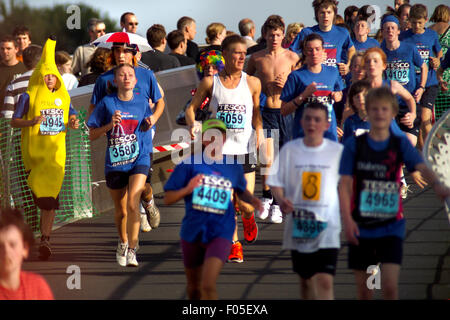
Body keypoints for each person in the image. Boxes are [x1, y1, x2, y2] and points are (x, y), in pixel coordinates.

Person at [338, 87, 450, 300]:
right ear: (367, 112)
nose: (379, 114)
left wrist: (440, 186)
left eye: (384, 109)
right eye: (374, 109)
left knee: (389, 288)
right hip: (362, 219)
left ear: (391, 114)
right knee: (365, 290)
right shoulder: (354, 144)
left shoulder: (398, 143)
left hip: (391, 221)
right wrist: (346, 218)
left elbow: (420, 166)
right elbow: (343, 183)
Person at [185, 35, 263, 263]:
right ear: (225, 55)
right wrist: (193, 125)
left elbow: (257, 112)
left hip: (245, 147)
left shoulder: (252, 82)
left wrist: (258, 130)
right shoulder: (210, 82)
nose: (241, 57)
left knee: (245, 204)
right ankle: (234, 243)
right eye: (236, 53)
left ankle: (248, 218)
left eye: (243, 53)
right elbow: (190, 109)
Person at [164, 119, 262, 300]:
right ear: (203, 139)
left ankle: (235, 243)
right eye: (210, 136)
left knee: (207, 285)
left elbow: (242, 192)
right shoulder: (189, 164)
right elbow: (168, 198)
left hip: (220, 233)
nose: (214, 140)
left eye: (219, 135)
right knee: (194, 289)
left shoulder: (232, 166)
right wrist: (188, 189)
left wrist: (254, 201)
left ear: (225, 139)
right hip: (193, 233)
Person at [10, 38, 79, 260]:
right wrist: (31, 122)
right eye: (46, 75)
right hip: (33, 158)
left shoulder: (63, 97)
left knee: (49, 202)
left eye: (53, 75)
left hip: (55, 158)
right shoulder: (29, 96)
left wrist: (74, 121)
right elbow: (14, 121)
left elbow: (72, 113)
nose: (49, 79)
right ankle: (31, 237)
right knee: (36, 200)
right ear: (41, 75)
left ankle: (45, 240)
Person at [267, 102, 343, 300]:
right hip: (300, 224)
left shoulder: (337, 152)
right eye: (308, 119)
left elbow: (349, 184)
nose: (312, 123)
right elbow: (274, 181)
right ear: (301, 122)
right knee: (306, 281)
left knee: (325, 281)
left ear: (327, 125)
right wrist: (281, 200)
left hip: (328, 226)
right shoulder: (290, 150)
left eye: (317, 120)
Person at [89, 42, 164, 236]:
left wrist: (153, 117)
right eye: (117, 51)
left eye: (125, 51)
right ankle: (131, 233)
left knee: (143, 185)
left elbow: (160, 101)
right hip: (119, 139)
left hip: (144, 135)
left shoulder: (146, 75)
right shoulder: (104, 79)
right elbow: (93, 110)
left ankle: (148, 202)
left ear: (134, 54)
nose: (121, 55)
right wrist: (107, 125)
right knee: (127, 191)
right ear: (112, 53)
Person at [87, 63, 153, 267]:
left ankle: (133, 250)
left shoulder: (142, 101)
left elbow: (150, 116)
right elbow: (91, 134)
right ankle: (123, 242)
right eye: (122, 75)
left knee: (133, 203)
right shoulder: (107, 103)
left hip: (139, 158)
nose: (126, 77)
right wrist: (109, 125)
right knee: (121, 210)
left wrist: (150, 121)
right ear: (114, 81)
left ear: (135, 80)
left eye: (130, 75)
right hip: (115, 162)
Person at [246, 16, 300, 224]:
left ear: (283, 35)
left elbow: (301, 84)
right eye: (271, 35)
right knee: (268, 159)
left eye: (278, 34)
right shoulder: (257, 58)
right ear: (265, 35)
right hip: (266, 111)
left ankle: (277, 201)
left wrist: (287, 82)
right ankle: (268, 196)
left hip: (286, 112)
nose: (275, 38)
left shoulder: (292, 58)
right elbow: (246, 80)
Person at [362, 47, 424, 198]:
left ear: (384, 65)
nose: (371, 64)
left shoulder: (391, 85)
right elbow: (348, 110)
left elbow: (410, 99)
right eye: (368, 61)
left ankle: (399, 180)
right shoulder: (359, 87)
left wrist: (412, 113)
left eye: (375, 61)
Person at [281, 33, 344, 142]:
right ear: (305, 52)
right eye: (310, 50)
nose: (314, 53)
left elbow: (339, 92)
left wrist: (338, 95)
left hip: (328, 134)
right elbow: (284, 110)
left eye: (317, 49)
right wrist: (303, 96)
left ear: (323, 50)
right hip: (304, 135)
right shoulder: (296, 76)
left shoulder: (333, 72)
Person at [400, 4, 443, 150]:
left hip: (430, 82)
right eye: (413, 22)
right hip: (412, 84)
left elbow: (440, 53)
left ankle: (434, 152)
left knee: (425, 118)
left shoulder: (431, 35)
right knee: (416, 121)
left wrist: (437, 60)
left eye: (420, 22)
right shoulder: (404, 37)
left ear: (426, 20)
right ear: (409, 20)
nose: (416, 25)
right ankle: (422, 155)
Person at [380, 15, 427, 148]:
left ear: (398, 31)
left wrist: (421, 87)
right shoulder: (380, 51)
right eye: (387, 28)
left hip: (408, 102)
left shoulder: (409, 48)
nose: (390, 31)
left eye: (393, 28)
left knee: (409, 142)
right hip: (389, 105)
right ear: (382, 32)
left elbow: (423, 66)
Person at [289, 0, 355, 77]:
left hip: (334, 80)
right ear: (317, 14)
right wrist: (308, 60)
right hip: (312, 78)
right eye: (322, 12)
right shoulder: (306, 32)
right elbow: (291, 55)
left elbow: (352, 49)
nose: (325, 16)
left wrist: (348, 65)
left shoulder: (342, 32)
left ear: (334, 14)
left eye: (329, 12)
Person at [0, 208, 54, 300]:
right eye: (0, 245)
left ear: (25, 248)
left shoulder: (38, 287)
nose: (6, 251)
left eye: (12, 244)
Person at [2, 45, 42, 118]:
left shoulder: (13, 85)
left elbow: (7, 115)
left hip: (21, 128)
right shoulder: (52, 81)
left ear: (24, 62)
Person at [0, 35, 27, 111]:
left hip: (21, 115)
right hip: (2, 116)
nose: (5, 51)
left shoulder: (26, 68)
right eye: (2, 49)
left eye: (8, 48)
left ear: (16, 49)